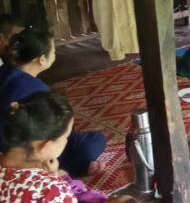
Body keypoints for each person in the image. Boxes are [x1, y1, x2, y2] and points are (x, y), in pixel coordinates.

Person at [0, 28, 107, 177]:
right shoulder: (36, 90)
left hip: (13, 148)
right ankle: (69, 170)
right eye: (54, 52)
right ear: (42, 59)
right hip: (28, 149)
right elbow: (53, 130)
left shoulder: (5, 71)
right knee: (95, 140)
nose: (55, 55)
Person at [0, 91, 133, 202]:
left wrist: (51, 176)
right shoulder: (52, 191)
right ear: (45, 145)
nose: (66, 142)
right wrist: (53, 179)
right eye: (65, 137)